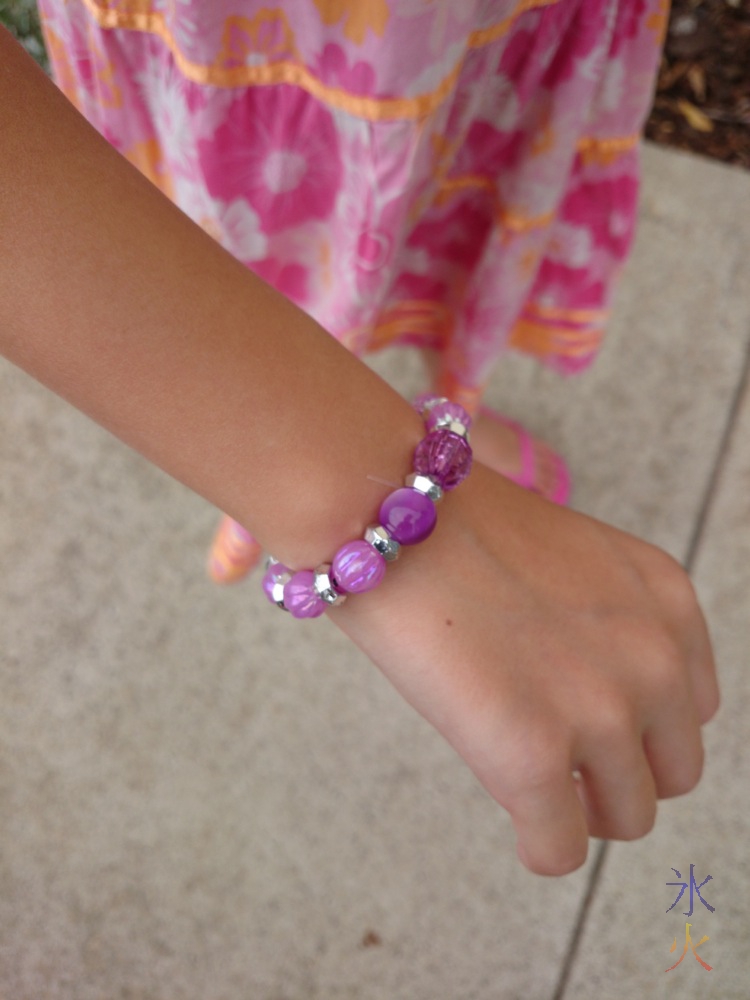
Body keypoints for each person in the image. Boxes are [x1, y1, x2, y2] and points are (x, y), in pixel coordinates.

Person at [0, 1, 719, 878]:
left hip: (492, 36)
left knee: (432, 237)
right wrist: (312, 479)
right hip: (228, 49)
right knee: (248, 245)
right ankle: (294, 460)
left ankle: (443, 414)